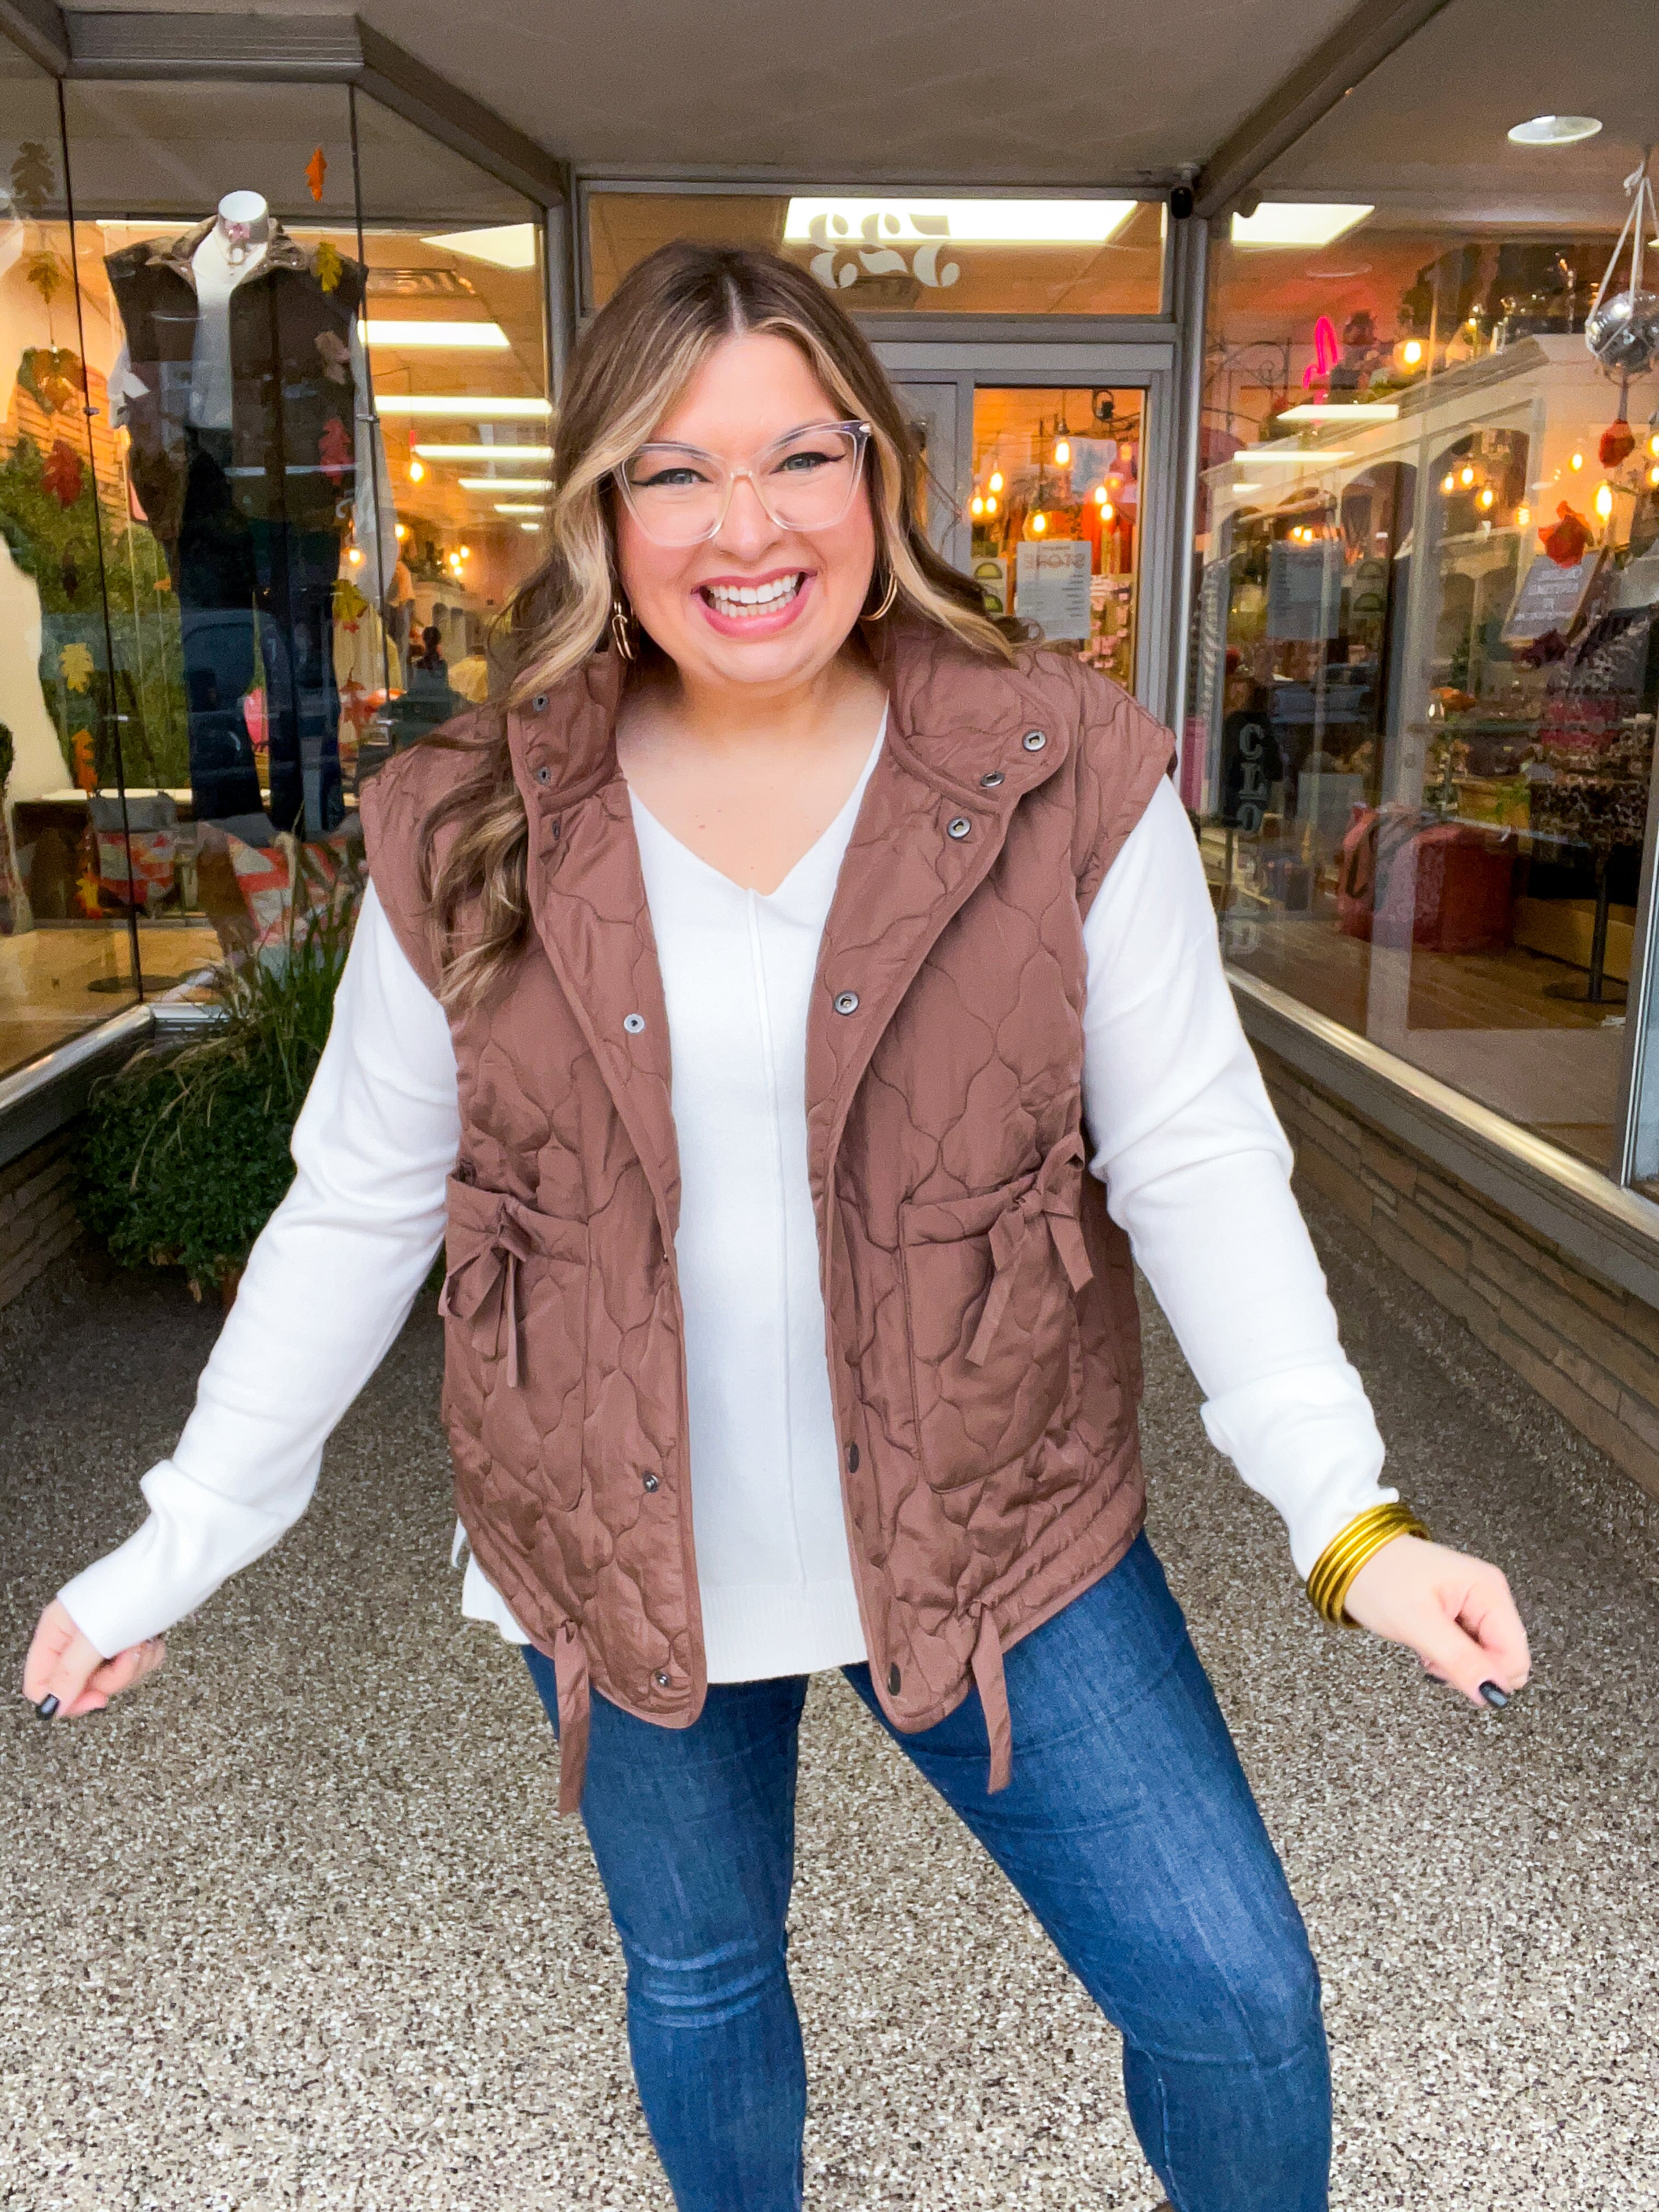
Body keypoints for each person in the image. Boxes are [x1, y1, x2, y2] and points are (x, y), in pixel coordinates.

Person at [24, 243, 1530, 2212]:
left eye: (801, 457)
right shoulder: (474, 820)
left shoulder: (1059, 770)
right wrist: (180, 1542)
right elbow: (358, 1206)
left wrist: (1352, 1520)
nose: (748, 529)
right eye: (675, 470)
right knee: (706, 1978)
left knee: (1235, 1991)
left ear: (880, 480)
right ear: (600, 511)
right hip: (621, 1542)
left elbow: (1200, 1162)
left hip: (998, 1521)